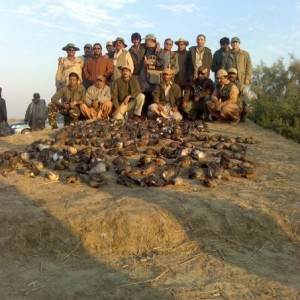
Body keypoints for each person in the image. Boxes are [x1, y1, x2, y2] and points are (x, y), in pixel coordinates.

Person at [139, 33, 163, 115]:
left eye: (146, 40)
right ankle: (144, 115)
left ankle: (152, 115)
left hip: (152, 78)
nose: (145, 42)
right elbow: (138, 44)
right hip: (143, 76)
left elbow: (162, 62)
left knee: (152, 95)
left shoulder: (159, 50)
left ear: (152, 40)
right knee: (144, 95)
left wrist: (151, 62)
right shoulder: (145, 48)